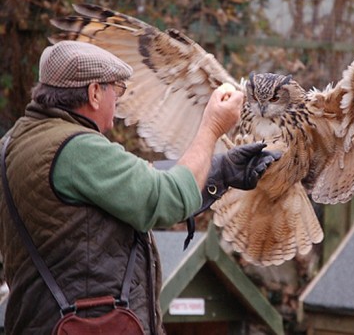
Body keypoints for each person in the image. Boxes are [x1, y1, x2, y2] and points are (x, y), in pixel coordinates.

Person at [0, 41, 280, 334]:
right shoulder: (76, 149)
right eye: (116, 89)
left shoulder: (14, 143)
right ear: (95, 93)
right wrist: (211, 128)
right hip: (89, 326)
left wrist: (222, 170)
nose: (118, 101)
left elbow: (138, 190)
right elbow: (165, 199)